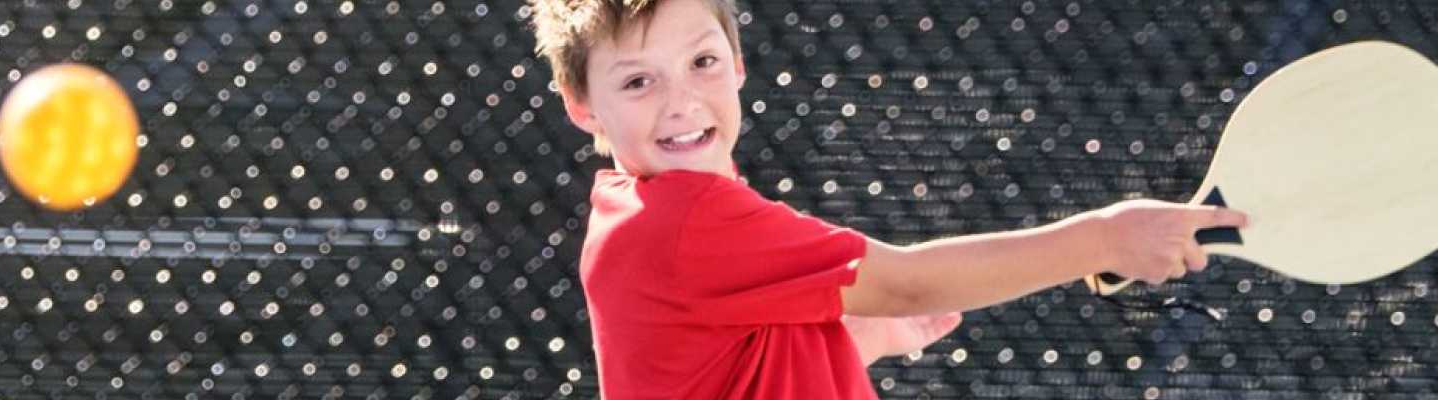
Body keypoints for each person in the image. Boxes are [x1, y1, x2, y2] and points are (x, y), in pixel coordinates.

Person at [527, 0, 1250, 398]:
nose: (682, 100)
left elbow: (725, 357)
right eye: (638, 81)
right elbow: (903, 281)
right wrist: (1106, 240)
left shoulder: (634, 205)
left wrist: (851, 342)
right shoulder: (686, 220)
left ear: (739, 65)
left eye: (702, 62)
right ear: (582, 105)